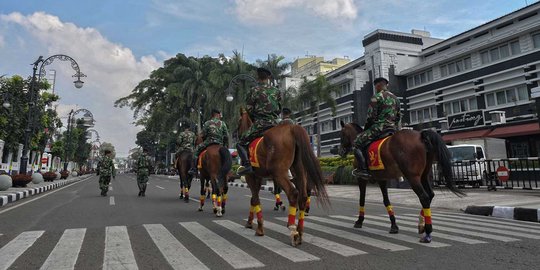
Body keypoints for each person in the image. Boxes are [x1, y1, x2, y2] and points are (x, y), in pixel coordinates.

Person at [236, 67, 282, 175]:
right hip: (275, 123)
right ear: (269, 77)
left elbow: (249, 109)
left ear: (258, 77)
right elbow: (279, 108)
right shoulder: (276, 91)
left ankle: (247, 165)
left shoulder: (254, 90)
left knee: (241, 143)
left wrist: (254, 118)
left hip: (261, 123)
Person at [353, 77, 401, 177]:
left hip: (379, 128)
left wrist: (365, 130)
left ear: (378, 85)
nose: (376, 88)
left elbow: (370, 117)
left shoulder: (376, 97)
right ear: (386, 85)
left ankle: (363, 170)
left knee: (356, 143)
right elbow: (398, 117)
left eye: (376, 86)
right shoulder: (396, 99)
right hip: (392, 129)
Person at [188, 109, 229, 176]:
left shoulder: (207, 123)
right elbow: (226, 135)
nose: (220, 116)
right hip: (219, 143)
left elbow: (203, 134)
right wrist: (225, 145)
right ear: (217, 115)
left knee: (196, 151)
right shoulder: (222, 123)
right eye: (219, 115)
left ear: (212, 115)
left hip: (209, 142)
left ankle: (193, 169)